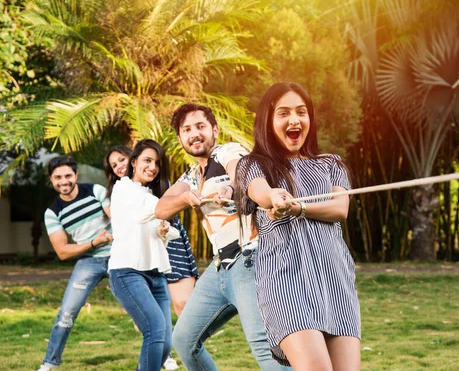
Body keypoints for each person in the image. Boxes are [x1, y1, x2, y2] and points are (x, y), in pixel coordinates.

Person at [234, 82, 361, 371]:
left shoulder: (331, 164)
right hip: (285, 281)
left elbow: (340, 209)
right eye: (283, 113)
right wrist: (274, 197)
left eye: (301, 112)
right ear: (268, 120)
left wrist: (298, 207)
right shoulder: (253, 164)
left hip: (335, 279)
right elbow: (259, 191)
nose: (294, 120)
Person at [154, 103, 291, 371]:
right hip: (219, 269)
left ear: (214, 130)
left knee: (266, 349)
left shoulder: (227, 151)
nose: (194, 134)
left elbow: (243, 173)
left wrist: (231, 188)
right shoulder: (193, 176)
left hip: (250, 260)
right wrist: (184, 197)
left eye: (200, 126)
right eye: (187, 130)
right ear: (180, 138)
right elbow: (161, 208)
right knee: (183, 340)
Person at [104, 145, 199, 370]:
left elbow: (170, 229)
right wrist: (183, 198)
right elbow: (146, 213)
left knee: (165, 343)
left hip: (156, 275)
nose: (153, 167)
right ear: (134, 162)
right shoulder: (123, 188)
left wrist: (165, 229)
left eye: (157, 163)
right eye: (147, 161)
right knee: (155, 330)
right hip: (127, 271)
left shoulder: (152, 195)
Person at [38, 156, 114, 371]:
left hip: (118, 256)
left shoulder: (95, 191)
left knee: (140, 308)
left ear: (76, 176)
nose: (64, 181)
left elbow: (116, 217)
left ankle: (162, 357)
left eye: (68, 176)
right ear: (51, 180)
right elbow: (62, 251)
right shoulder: (52, 212)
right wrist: (93, 242)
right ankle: (49, 363)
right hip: (88, 262)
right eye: (58, 177)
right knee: (66, 314)